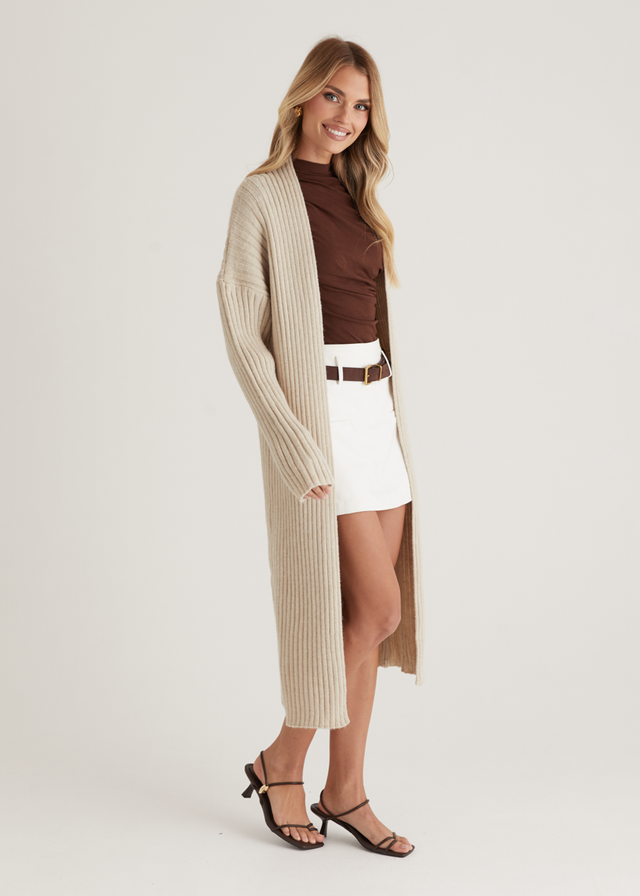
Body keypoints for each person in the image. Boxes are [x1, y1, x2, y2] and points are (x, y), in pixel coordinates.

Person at [217, 36, 423, 856]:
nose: (346, 116)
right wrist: (295, 443)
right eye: (333, 95)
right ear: (303, 96)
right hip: (320, 420)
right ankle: (283, 759)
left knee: (366, 621)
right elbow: (244, 333)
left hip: (375, 415)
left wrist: (389, 421)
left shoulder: (356, 194)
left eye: (361, 104)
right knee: (378, 608)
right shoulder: (263, 195)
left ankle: (346, 788)